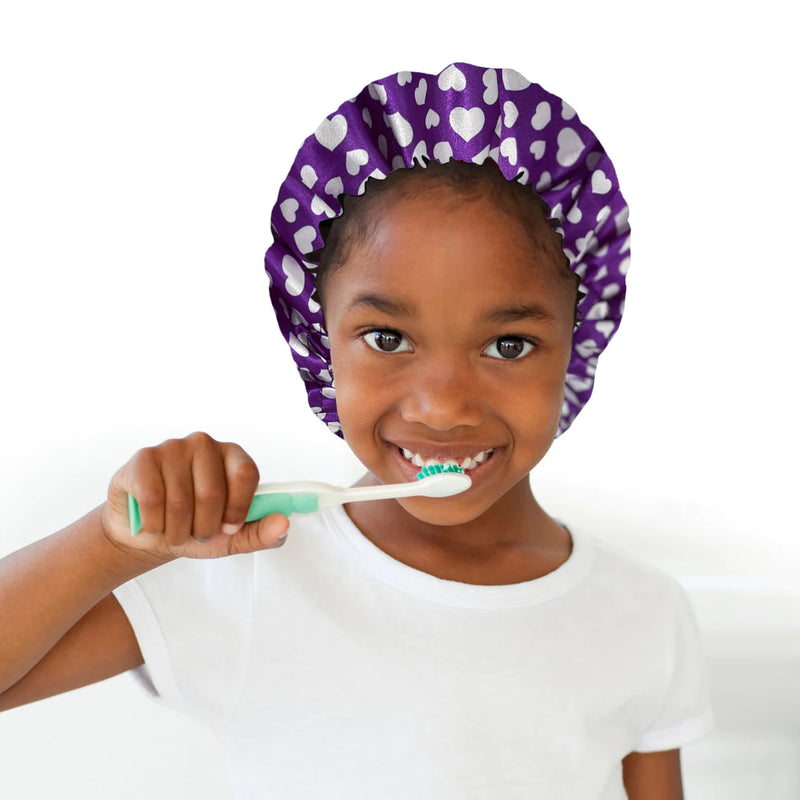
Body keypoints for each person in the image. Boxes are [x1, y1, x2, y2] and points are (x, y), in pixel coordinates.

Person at [0, 62, 713, 799]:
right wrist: (112, 543)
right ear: (318, 340)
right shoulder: (244, 569)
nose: (442, 407)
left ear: (577, 345)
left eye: (507, 345)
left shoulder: (646, 612)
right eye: (386, 338)